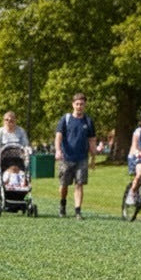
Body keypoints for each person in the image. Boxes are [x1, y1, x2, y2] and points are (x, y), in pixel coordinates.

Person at [54, 91, 97, 220]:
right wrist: (57, 150)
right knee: (64, 186)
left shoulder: (88, 121)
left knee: (79, 184)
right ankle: (62, 204)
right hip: (67, 157)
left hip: (82, 158)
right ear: (73, 105)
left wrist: (93, 157)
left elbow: (92, 140)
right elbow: (58, 136)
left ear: (85, 105)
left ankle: (78, 211)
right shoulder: (66, 119)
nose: (79, 106)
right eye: (77, 104)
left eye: (82, 104)